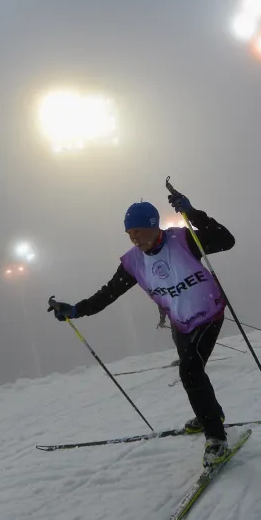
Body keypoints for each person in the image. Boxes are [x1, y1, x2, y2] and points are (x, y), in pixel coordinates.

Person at [47, 190, 234, 467]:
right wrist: (75, 309)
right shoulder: (133, 262)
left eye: (137, 230)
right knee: (192, 369)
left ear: (153, 226)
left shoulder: (182, 240)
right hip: (180, 322)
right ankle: (211, 414)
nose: (134, 237)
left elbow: (225, 241)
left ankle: (216, 439)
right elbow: (107, 294)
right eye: (129, 233)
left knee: (190, 371)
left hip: (209, 313)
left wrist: (193, 214)